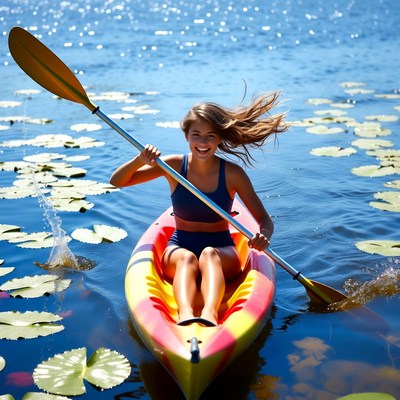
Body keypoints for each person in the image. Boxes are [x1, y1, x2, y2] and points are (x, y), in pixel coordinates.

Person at [110, 92, 287, 326]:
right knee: (185, 258)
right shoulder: (172, 166)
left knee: (209, 254)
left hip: (222, 250)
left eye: (210, 136)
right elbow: (117, 181)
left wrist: (264, 236)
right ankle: (184, 315)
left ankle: (210, 315)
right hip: (179, 244)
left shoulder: (233, 174)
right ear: (186, 136)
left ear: (219, 139)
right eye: (197, 135)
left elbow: (265, 220)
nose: (203, 143)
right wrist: (139, 160)